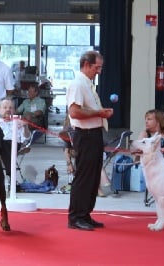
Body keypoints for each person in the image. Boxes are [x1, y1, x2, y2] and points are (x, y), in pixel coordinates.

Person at [66, 50, 113, 231]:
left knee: (93, 177)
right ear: (86, 65)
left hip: (93, 134)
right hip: (84, 135)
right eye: (96, 67)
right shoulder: (78, 84)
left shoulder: (87, 84)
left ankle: (85, 214)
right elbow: (75, 112)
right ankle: (76, 216)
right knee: (84, 176)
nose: (99, 71)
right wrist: (99, 113)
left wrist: (99, 114)